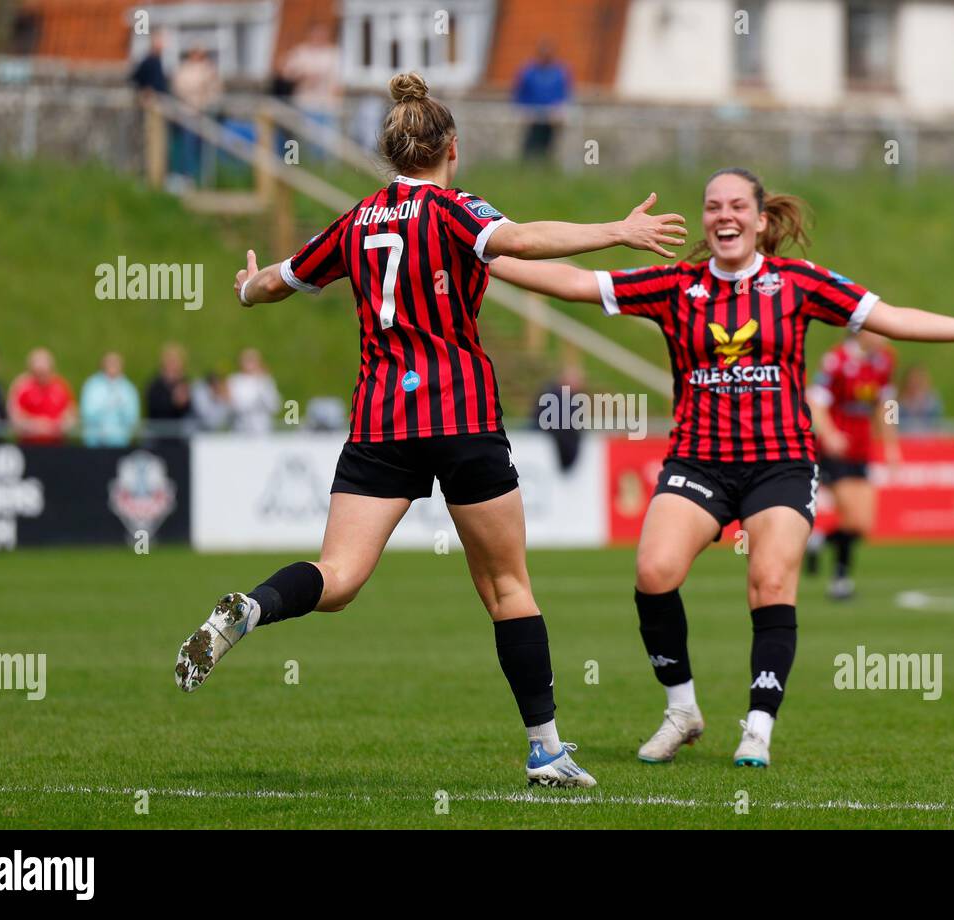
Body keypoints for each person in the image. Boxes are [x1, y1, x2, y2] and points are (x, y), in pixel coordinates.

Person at [172, 72, 686, 788]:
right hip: (460, 416)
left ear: (389, 153)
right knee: (508, 587)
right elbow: (526, 240)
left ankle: (253, 607)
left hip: (381, 421)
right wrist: (617, 231)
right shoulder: (453, 209)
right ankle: (546, 751)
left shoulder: (355, 221)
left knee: (340, 577)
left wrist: (248, 287)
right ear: (452, 147)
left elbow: (276, 282)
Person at [490, 166, 954, 768]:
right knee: (653, 571)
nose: (723, 216)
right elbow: (573, 283)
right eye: (712, 207)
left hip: (779, 462)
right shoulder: (676, 286)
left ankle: (757, 726)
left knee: (771, 582)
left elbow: (890, 318)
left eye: (736, 207)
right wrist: (484, 256)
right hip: (699, 460)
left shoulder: (798, 282)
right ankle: (682, 710)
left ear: (759, 219)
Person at [804, 330, 900, 600]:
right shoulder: (837, 360)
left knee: (863, 524)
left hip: (862, 450)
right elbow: (816, 401)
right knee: (851, 517)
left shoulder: (884, 362)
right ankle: (840, 580)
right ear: (861, 332)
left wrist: (891, 445)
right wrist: (830, 433)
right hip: (835, 451)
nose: (884, 335)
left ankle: (818, 541)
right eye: (877, 329)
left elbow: (887, 405)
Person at [281, 23, 342, 157]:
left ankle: (324, 168)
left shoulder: (333, 54)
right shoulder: (300, 52)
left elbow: (338, 82)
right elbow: (286, 74)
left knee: (327, 140)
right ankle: (304, 164)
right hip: (305, 103)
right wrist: (304, 76)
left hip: (327, 105)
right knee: (305, 137)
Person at [170, 46, 222, 183]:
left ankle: (204, 178)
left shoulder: (209, 69)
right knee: (186, 144)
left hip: (204, 113)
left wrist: (205, 100)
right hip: (187, 112)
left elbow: (215, 91)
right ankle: (187, 176)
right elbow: (179, 88)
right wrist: (196, 91)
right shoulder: (184, 69)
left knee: (204, 148)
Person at [512, 41, 569, 162]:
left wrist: (559, 109)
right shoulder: (528, 71)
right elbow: (519, 92)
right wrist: (522, 109)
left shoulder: (559, 72)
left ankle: (545, 163)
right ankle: (527, 163)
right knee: (532, 140)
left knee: (548, 141)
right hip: (531, 113)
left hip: (551, 114)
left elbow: (564, 93)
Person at [8, 348, 76, 445]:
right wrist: (35, 426)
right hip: (29, 445)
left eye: (45, 372)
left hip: (57, 445)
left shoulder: (61, 387)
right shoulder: (21, 386)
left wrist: (54, 427)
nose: (42, 376)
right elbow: (14, 417)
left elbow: (71, 416)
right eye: (38, 372)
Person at [80, 351, 140, 447]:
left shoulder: (128, 388)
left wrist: (120, 406)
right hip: (94, 442)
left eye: (115, 364)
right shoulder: (92, 385)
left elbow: (132, 418)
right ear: (102, 365)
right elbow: (86, 414)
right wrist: (105, 407)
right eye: (109, 363)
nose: (112, 366)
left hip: (119, 442)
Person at [226, 347, 280, 433]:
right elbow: (234, 405)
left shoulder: (265, 380)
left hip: (263, 429)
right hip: (240, 429)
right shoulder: (234, 380)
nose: (250, 364)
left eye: (252, 360)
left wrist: (262, 383)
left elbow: (275, 405)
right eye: (247, 360)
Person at [145, 343, 193, 436]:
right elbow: (153, 409)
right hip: (158, 436)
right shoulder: (154, 385)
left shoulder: (185, 384)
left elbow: (189, 411)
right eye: (170, 361)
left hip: (179, 436)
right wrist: (173, 401)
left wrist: (184, 403)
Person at [897, 362, 943, 433]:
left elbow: (936, 424)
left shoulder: (932, 401)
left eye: (919, 380)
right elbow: (889, 425)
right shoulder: (895, 400)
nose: (915, 383)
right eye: (912, 380)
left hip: (926, 439)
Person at [130, 30, 169, 99]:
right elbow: (136, 78)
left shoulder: (159, 60)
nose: (163, 46)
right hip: (152, 97)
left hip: (160, 96)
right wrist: (146, 88)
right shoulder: (149, 61)